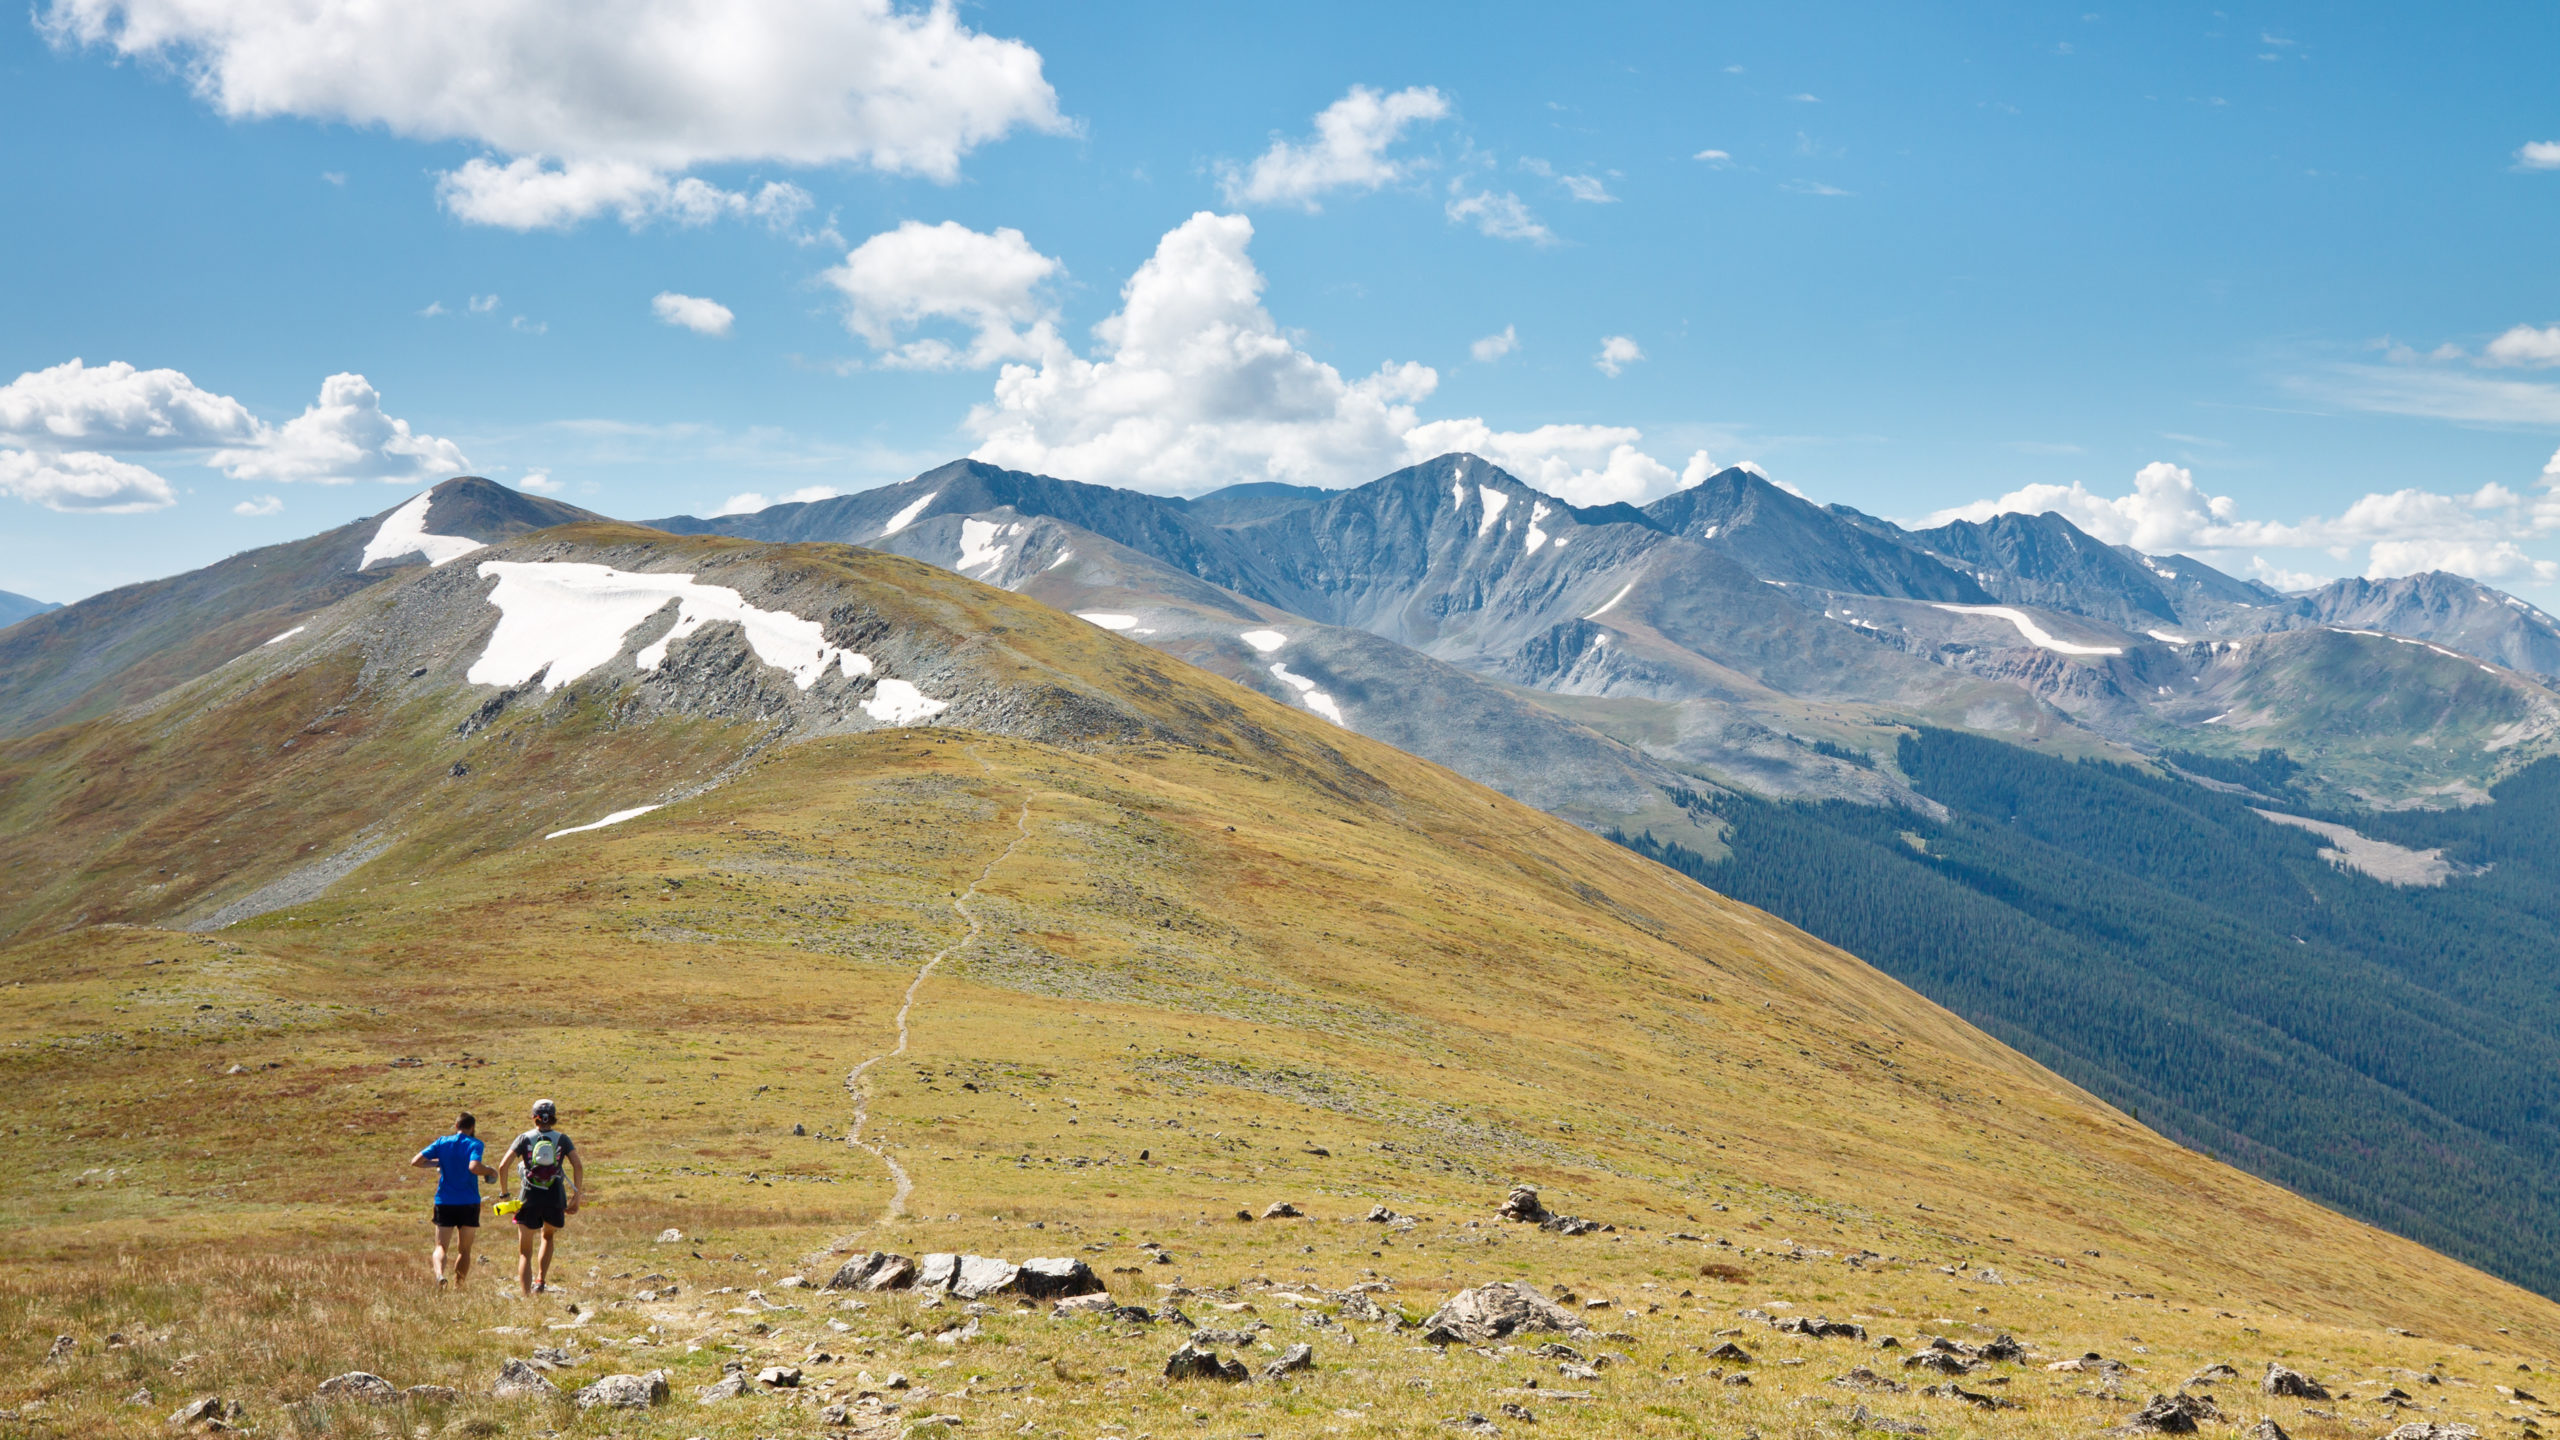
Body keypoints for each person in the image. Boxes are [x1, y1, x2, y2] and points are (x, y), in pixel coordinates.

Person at [496, 1098, 583, 1296]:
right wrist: (576, 1196)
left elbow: (503, 1166)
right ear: (553, 1117)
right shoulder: (563, 1139)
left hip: (529, 1196)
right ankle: (541, 1280)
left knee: (525, 1251)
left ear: (534, 1117)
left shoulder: (524, 1138)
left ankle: (526, 1295)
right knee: (548, 1236)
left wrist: (505, 1195)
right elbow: (577, 1165)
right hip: (554, 1196)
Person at [409, 1113, 496, 1287]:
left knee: (440, 1246)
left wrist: (438, 1163)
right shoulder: (475, 1144)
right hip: (469, 1201)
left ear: (456, 1126)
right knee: (464, 1250)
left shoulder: (442, 1142)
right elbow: (474, 1167)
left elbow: (416, 1162)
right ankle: (459, 1285)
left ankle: (440, 1274)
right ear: (472, 1128)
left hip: (445, 1200)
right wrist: (490, 1171)